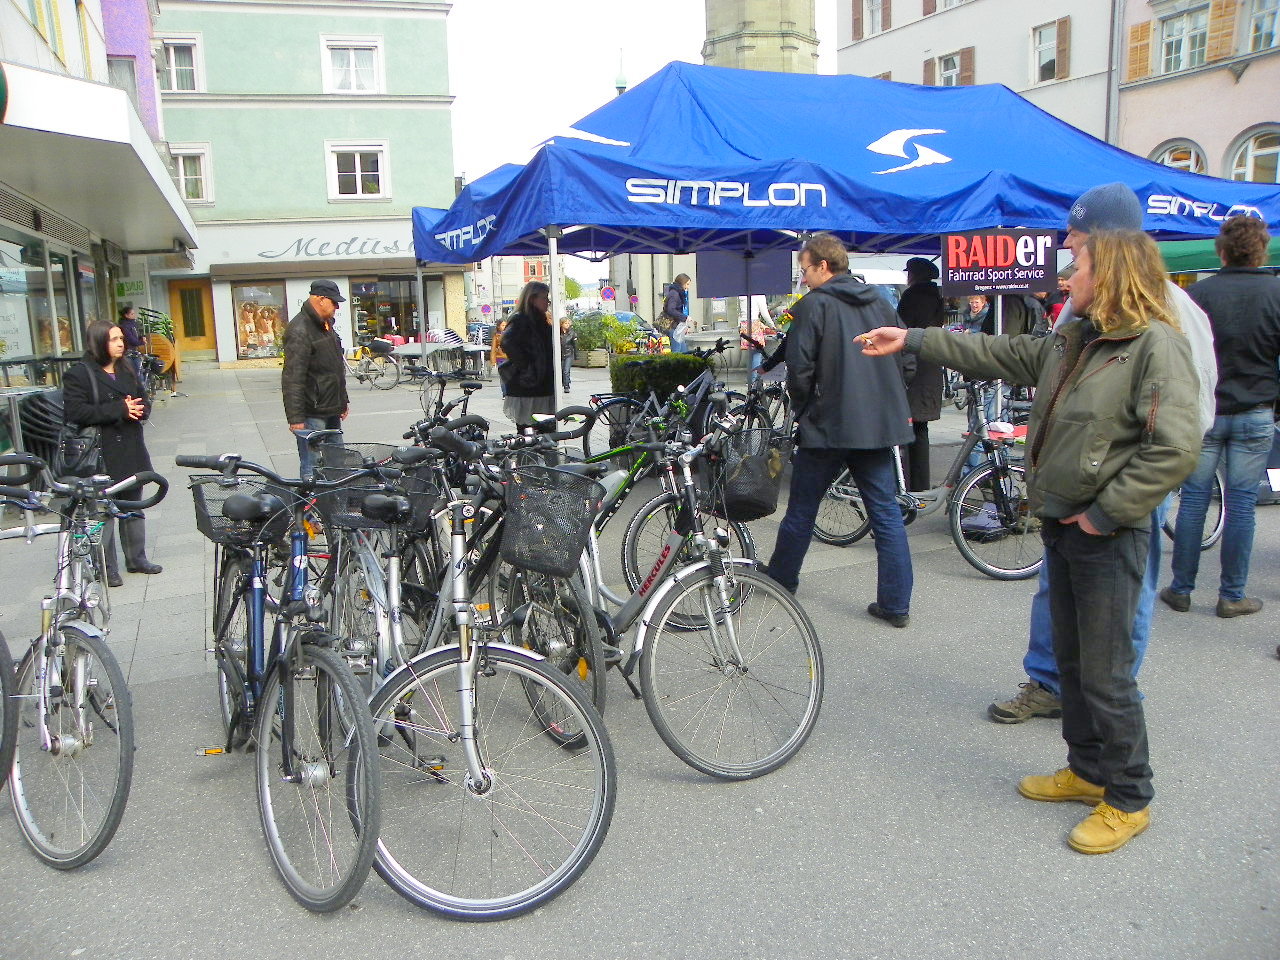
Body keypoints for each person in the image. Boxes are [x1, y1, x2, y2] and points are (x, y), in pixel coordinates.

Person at [863, 228, 1202, 854]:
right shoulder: (1076, 338)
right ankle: (1087, 771)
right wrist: (910, 338)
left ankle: (1129, 797)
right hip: (1065, 523)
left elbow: (1175, 449)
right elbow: (997, 351)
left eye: (1079, 266)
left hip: (1106, 532)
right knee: (1071, 661)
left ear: (1113, 274)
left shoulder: (1156, 346)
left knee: (1107, 673)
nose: (1067, 277)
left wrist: (1104, 514)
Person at [987, 181, 1217, 725]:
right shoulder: (1083, 305)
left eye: (1076, 235)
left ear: (1106, 241)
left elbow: (1186, 425)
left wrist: (1110, 504)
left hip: (1117, 494)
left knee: (1122, 605)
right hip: (1071, 489)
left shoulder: (1170, 317)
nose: (1065, 244)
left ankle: (1109, 700)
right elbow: (1038, 361)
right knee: (1058, 593)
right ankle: (1055, 686)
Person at [760, 233, 915, 627]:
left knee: (802, 508)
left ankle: (782, 578)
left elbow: (800, 368)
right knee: (885, 513)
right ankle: (895, 605)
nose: (803, 278)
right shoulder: (880, 301)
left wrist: (805, 409)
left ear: (823, 266)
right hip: (875, 424)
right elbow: (908, 356)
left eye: (805, 270)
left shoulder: (814, 305)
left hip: (828, 424)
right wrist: (888, 398)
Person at [1161, 215, 1280, 619]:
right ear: (1261, 250)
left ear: (1221, 251)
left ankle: (1181, 588)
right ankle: (1232, 594)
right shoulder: (1276, 293)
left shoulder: (1198, 295)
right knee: (1242, 504)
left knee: (1194, 500)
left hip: (1206, 410)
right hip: (1256, 409)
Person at [63, 320, 162, 586]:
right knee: (103, 510)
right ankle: (107, 567)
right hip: (101, 452)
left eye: (121, 338)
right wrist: (120, 409)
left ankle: (137, 558)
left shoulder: (126, 367)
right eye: (114, 339)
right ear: (99, 342)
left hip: (130, 447)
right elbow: (75, 412)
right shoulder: (79, 373)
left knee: (133, 504)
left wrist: (140, 409)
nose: (121, 343)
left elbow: (143, 400)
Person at [282, 279, 349, 479]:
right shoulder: (300, 329)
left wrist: (343, 401)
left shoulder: (326, 325)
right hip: (313, 412)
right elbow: (293, 378)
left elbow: (335, 369)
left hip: (331, 408)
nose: (337, 307)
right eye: (334, 302)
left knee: (337, 463)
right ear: (320, 299)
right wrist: (295, 418)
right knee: (311, 465)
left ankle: (336, 495)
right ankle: (309, 497)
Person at [897, 257, 946, 491]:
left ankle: (910, 483)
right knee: (920, 429)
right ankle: (920, 483)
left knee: (911, 429)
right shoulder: (937, 297)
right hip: (931, 365)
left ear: (914, 275)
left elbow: (900, 329)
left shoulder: (913, 296)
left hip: (915, 368)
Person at [499, 281, 555, 426]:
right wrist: (527, 367)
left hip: (540, 386)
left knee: (541, 430)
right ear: (532, 299)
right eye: (544, 298)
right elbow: (507, 343)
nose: (548, 302)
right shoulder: (522, 320)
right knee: (531, 430)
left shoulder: (539, 320)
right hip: (529, 387)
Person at [661, 274, 691, 352]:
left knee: (682, 350)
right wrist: (685, 317)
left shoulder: (676, 293)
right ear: (682, 283)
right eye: (687, 284)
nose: (688, 287)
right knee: (678, 350)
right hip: (673, 326)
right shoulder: (675, 294)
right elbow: (671, 310)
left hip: (676, 326)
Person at [491, 317, 509, 396]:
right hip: (500, 358)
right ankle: (504, 393)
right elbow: (493, 349)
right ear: (498, 326)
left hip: (509, 358)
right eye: (502, 325)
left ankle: (509, 392)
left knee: (509, 376)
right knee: (503, 377)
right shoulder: (496, 336)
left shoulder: (510, 334)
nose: (504, 327)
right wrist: (493, 361)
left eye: (505, 325)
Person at [559, 316, 577, 391]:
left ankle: (566, 386)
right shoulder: (557, 332)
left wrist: (576, 355)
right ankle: (564, 382)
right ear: (561, 324)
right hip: (560, 354)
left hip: (568, 354)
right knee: (561, 370)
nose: (567, 325)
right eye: (565, 323)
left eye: (568, 323)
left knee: (566, 370)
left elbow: (575, 345)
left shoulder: (572, 333)